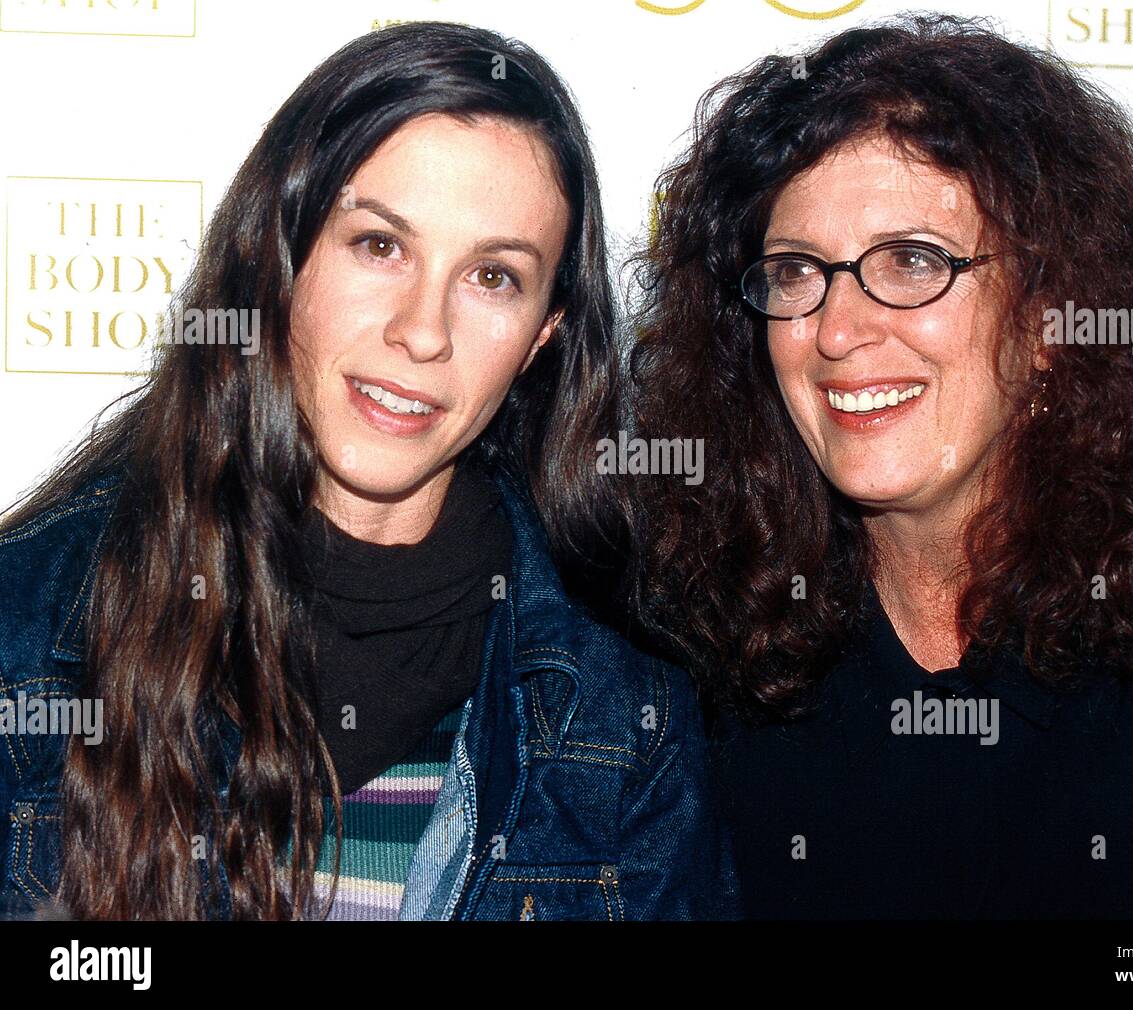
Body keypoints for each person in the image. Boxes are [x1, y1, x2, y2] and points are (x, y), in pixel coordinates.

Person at [0, 22, 736, 921]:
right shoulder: (28, 633)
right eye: (380, 245)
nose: (423, 330)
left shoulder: (623, 712)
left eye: (494, 276)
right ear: (281, 260)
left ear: (544, 335)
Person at [628, 14, 1133, 918]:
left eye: (911, 262)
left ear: (1052, 313)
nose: (836, 331)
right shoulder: (698, 645)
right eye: (794, 273)